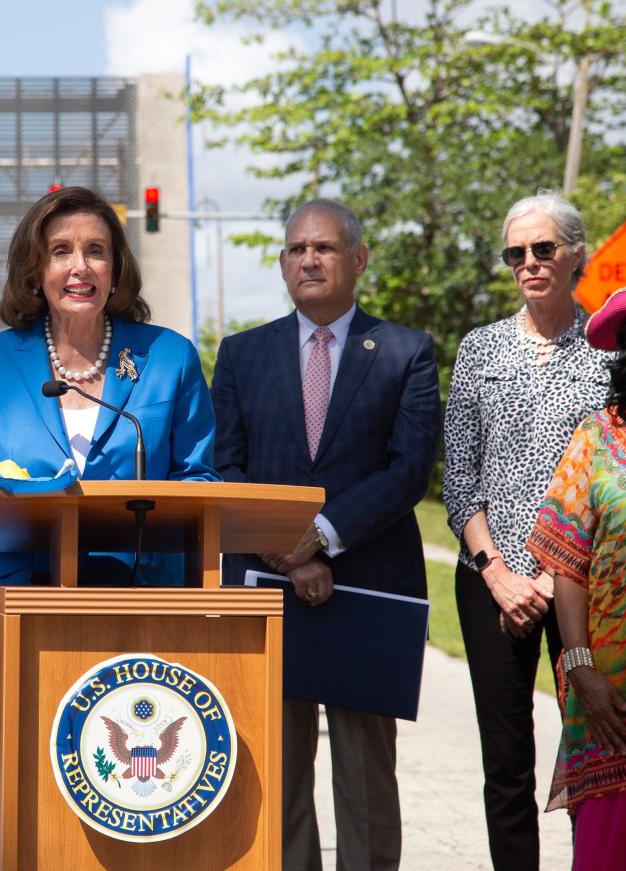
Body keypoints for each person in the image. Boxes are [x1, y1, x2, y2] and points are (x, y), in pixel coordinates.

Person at [211, 198, 440, 871]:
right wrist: (284, 550)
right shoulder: (240, 354)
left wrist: (317, 536)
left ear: (358, 260)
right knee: (275, 773)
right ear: (282, 263)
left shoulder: (405, 351)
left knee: (365, 782)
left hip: (369, 591)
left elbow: (407, 470)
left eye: (324, 248)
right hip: (266, 586)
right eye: (295, 249)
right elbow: (225, 467)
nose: (308, 259)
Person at [0, 185, 217, 631]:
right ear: (35, 272)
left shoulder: (170, 357)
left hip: (151, 598)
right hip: (28, 600)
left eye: (96, 250)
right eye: (60, 251)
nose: (80, 266)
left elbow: (198, 479)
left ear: (115, 270)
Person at [442, 192, 610, 870]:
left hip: (583, 584)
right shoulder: (477, 348)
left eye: (543, 249)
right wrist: (499, 573)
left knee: (592, 752)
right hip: (491, 583)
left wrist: (554, 572)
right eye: (516, 253)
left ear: (576, 254)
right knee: (505, 761)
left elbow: (617, 472)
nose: (528, 263)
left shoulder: (609, 351)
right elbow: (459, 479)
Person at [526, 263, 626, 871]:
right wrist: (580, 669)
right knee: (616, 849)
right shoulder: (596, 439)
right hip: (616, 698)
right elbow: (569, 565)